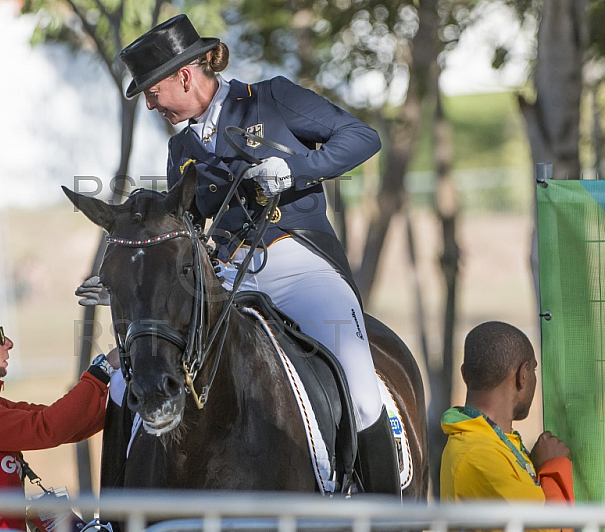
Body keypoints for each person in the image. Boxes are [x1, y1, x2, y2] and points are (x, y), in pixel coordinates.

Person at [81, 14, 397, 495]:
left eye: (151, 90)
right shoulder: (181, 146)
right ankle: (115, 517)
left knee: (360, 388)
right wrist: (132, 280)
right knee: (125, 386)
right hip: (227, 272)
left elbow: (362, 137)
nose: (148, 102)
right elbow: (183, 228)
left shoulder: (270, 99)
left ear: (184, 75)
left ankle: (386, 516)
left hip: (298, 261)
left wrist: (295, 168)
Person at [0, 300, 118, 529]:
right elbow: (47, 428)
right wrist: (102, 370)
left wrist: (124, 403)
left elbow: (66, 425)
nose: (9, 344)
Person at [440, 321, 574, 505]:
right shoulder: (477, 455)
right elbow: (544, 527)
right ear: (523, 375)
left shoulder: (492, 441)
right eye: (533, 369)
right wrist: (552, 468)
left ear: (464, 374)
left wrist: (534, 468)